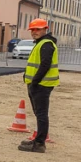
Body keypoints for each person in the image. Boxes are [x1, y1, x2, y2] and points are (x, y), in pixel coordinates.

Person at [20, 18, 58, 153]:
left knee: (41, 114)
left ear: (44, 29)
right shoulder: (40, 43)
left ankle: (40, 143)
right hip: (37, 83)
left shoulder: (46, 44)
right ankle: (38, 140)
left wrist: (35, 81)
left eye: (38, 29)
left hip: (42, 84)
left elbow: (45, 65)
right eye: (33, 30)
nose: (34, 32)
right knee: (39, 113)